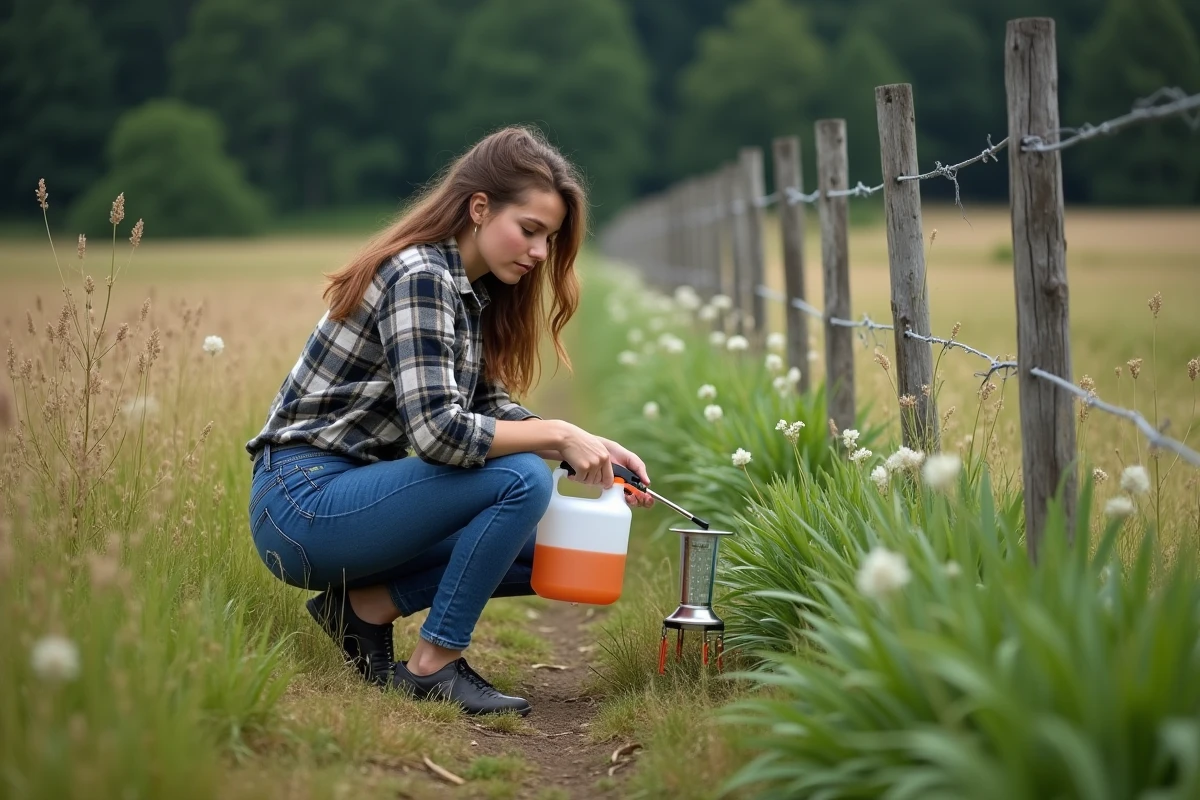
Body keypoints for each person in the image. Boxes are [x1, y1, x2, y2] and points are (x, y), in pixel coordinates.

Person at [244, 126, 653, 717]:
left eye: (550, 238)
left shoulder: (466, 290)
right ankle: (434, 665)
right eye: (530, 230)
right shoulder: (421, 276)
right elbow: (441, 434)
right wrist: (558, 437)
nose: (540, 253)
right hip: (302, 505)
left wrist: (589, 445)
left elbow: (485, 406)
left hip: (355, 502)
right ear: (479, 208)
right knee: (522, 481)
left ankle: (364, 607)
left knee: (555, 548)